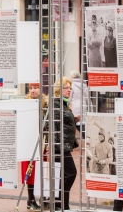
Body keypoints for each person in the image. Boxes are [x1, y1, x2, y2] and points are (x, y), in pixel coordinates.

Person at [20, 82, 48, 211]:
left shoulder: (46, 103)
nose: (32, 90)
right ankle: (30, 199)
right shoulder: (25, 103)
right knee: (30, 171)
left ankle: (45, 197)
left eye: (35, 88)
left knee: (44, 169)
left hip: (43, 141)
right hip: (29, 142)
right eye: (30, 88)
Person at [53, 77, 79, 210]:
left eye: (70, 88)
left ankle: (63, 205)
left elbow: (63, 122)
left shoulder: (63, 103)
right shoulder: (56, 104)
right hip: (59, 146)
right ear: (59, 89)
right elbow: (54, 125)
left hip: (64, 145)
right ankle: (59, 202)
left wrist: (73, 118)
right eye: (66, 88)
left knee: (64, 175)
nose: (69, 90)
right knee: (71, 173)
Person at [69, 70, 90, 135]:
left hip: (75, 105)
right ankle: (85, 135)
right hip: (83, 105)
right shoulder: (84, 84)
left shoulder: (72, 85)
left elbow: (70, 97)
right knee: (82, 122)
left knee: (75, 121)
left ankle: (80, 137)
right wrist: (90, 108)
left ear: (72, 76)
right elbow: (88, 97)